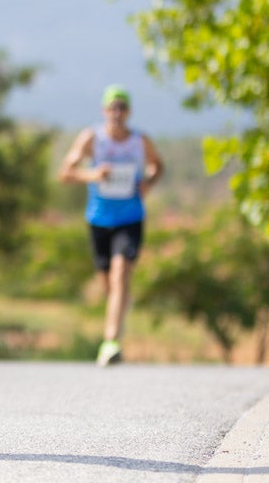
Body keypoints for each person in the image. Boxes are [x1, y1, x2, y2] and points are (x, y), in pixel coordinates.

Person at [58, 85, 163, 366]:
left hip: (130, 218)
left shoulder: (140, 141)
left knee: (120, 274)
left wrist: (148, 183)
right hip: (98, 218)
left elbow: (157, 165)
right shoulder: (92, 138)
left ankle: (110, 342)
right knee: (108, 283)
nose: (117, 113)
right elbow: (65, 172)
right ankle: (119, 314)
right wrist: (93, 174)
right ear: (104, 111)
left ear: (128, 112)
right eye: (112, 107)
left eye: (122, 107)